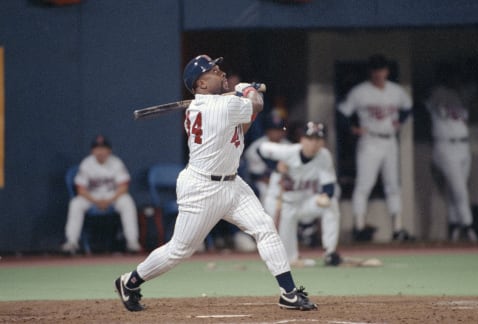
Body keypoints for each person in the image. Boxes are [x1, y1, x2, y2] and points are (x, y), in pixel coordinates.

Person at [114, 55, 317, 312]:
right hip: (202, 188)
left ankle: (288, 292)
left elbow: (238, 129)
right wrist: (248, 90)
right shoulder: (220, 107)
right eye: (213, 71)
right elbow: (257, 105)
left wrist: (242, 96)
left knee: (265, 227)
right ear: (200, 85)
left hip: (232, 183)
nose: (220, 73)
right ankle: (129, 282)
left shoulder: (211, 106)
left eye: (219, 68)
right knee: (179, 251)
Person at [338, 54, 413, 242]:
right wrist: (353, 129)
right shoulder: (360, 91)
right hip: (369, 141)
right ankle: (359, 226)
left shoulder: (396, 91)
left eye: (382, 69)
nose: (379, 73)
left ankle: (398, 228)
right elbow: (342, 113)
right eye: (375, 69)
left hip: (389, 141)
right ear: (370, 72)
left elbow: (408, 107)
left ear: (387, 71)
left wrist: (400, 121)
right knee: (364, 184)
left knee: (393, 185)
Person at [258, 122, 342, 267]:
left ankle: (330, 252)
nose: (314, 144)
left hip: (303, 203)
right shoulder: (288, 152)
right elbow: (261, 149)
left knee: (331, 203)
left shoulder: (324, 156)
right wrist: (275, 166)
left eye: (318, 139)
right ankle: (290, 257)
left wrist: (326, 196)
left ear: (323, 142)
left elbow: (329, 186)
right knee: (287, 259)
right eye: (310, 139)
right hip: (280, 205)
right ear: (302, 140)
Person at [61, 135, 141, 254]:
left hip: (112, 197)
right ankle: (71, 243)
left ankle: (132, 242)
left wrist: (109, 201)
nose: (100, 151)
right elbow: (80, 190)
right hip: (92, 197)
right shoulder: (87, 164)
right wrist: (96, 201)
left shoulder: (116, 163)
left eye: (103, 148)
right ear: (92, 150)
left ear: (109, 150)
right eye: (97, 148)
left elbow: (123, 187)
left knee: (127, 201)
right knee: (75, 203)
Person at [425, 65, 478, 242]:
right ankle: (469, 227)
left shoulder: (462, 95)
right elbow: (427, 100)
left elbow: (472, 89)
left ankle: (455, 225)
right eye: (454, 77)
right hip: (445, 147)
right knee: (459, 189)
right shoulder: (438, 93)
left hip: (463, 146)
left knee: (457, 189)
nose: (457, 81)